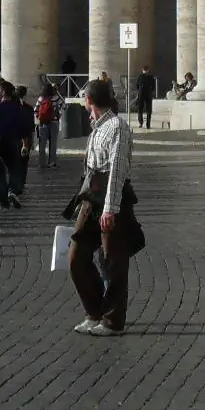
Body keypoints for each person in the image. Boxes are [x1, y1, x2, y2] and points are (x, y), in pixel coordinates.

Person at [67, 79, 134, 336]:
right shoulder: (98, 127)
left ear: (89, 100)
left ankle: (113, 320)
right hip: (91, 198)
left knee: (113, 261)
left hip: (111, 199)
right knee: (76, 256)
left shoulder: (118, 127)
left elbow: (117, 170)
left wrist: (110, 208)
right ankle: (94, 311)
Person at [34, 83, 61, 170]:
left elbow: (35, 111)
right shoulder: (56, 98)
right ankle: (52, 162)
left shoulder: (41, 99)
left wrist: (39, 119)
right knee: (53, 143)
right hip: (54, 122)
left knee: (42, 143)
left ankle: (41, 163)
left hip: (43, 123)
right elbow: (64, 106)